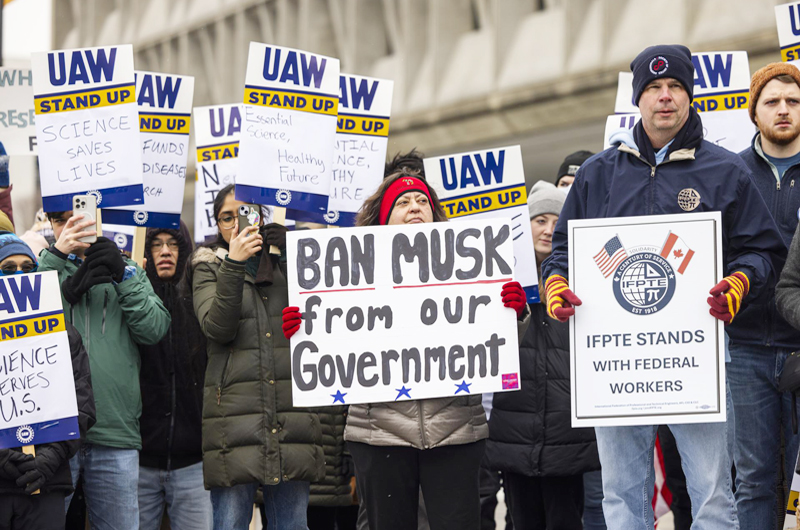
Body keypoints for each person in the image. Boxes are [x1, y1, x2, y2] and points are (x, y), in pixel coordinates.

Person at [541, 44, 785, 529]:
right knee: (622, 497)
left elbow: (764, 251)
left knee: (715, 495)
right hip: (616, 361)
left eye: (675, 86)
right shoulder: (598, 174)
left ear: (690, 95)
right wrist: (556, 284)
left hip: (697, 359)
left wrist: (740, 281)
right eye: (653, 88)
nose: (665, 97)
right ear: (639, 98)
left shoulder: (724, 170)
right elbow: (562, 251)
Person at [283, 151, 530, 530]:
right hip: (379, 433)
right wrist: (305, 325)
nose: (415, 207)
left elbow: (501, 347)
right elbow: (331, 341)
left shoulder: (472, 269)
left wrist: (514, 312)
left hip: (455, 429)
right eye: (403, 201)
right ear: (384, 217)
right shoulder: (349, 272)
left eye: (422, 201)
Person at [189, 184, 324, 530]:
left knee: (292, 524)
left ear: (261, 218)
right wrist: (234, 264)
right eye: (226, 217)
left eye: (245, 213)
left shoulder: (288, 262)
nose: (236, 224)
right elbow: (217, 328)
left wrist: (292, 252)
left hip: (290, 413)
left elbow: (325, 316)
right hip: (232, 423)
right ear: (217, 226)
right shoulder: (208, 267)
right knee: (231, 524)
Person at [41, 210, 171, 529]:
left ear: (96, 218)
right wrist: (58, 260)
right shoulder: (44, 267)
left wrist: (124, 276)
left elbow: (154, 329)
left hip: (115, 430)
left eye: (78, 217)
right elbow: (22, 331)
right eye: (60, 219)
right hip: (54, 433)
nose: (71, 226)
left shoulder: (126, 270)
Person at [485, 181, 600, 530]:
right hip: (515, 427)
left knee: (566, 519)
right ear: (525, 224)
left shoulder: (585, 275)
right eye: (540, 220)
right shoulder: (498, 277)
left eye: (557, 221)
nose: (549, 230)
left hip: (566, 432)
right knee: (522, 520)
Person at [734, 62, 800, 530]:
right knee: (753, 479)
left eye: (794, 102)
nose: (783, 110)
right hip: (746, 348)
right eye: (771, 101)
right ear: (754, 111)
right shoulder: (728, 172)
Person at [0, 232, 96, 529]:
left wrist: (50, 457)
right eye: (8, 268)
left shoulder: (64, 335)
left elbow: (83, 406)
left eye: (28, 268)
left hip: (46, 484)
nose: (19, 274)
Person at [137, 222, 212, 530]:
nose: (165, 251)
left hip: (193, 462)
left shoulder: (202, 302)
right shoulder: (133, 305)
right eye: (156, 244)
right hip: (139, 462)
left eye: (173, 243)